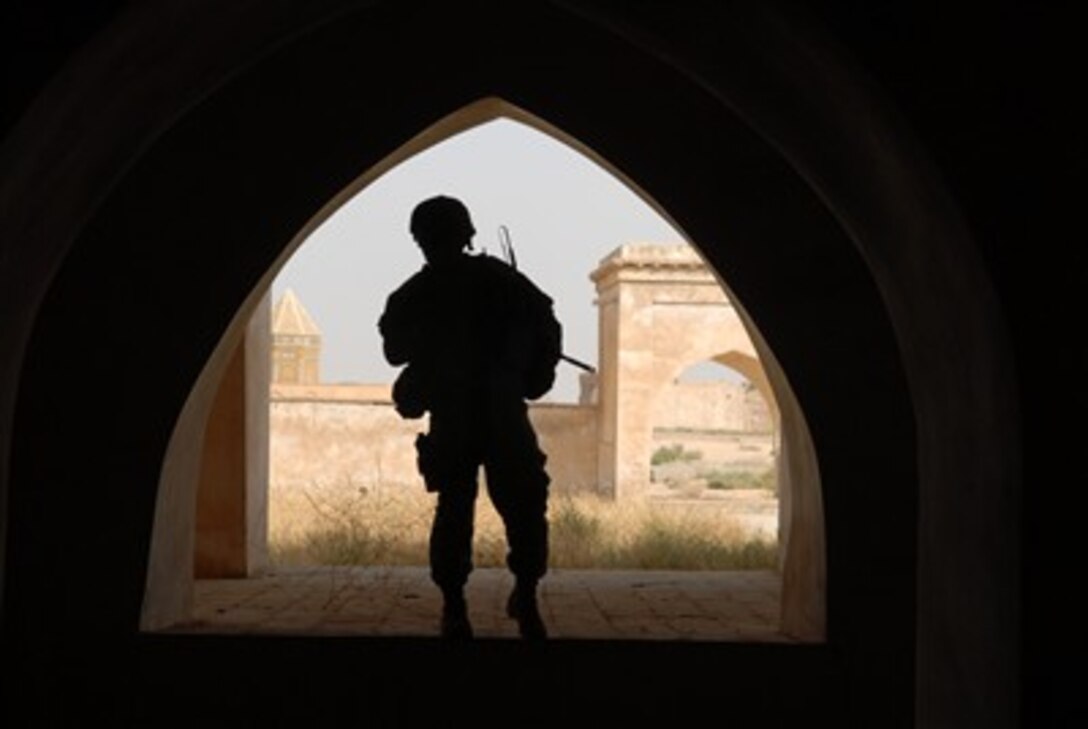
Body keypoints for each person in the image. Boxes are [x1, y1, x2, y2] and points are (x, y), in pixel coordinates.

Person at [378, 195, 561, 640]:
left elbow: (394, 351)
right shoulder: (500, 282)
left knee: (476, 510)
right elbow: (547, 327)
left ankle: (478, 603)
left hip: (468, 416)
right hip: (489, 415)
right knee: (513, 508)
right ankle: (503, 598)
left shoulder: (418, 293)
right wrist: (532, 377)